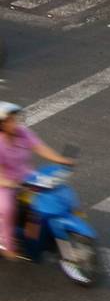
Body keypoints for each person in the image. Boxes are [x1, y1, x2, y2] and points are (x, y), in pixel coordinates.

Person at [0, 103, 75, 261]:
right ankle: (7, 246)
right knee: (7, 207)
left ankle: (41, 233)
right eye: (11, 120)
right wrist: (9, 183)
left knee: (49, 194)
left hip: (26, 176)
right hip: (5, 183)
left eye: (15, 119)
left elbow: (40, 148)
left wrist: (61, 160)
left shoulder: (22, 132)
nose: (15, 123)